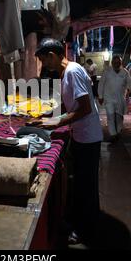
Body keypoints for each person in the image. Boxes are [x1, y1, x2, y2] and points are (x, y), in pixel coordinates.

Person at [32, 38, 103, 247]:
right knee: (80, 184)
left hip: (89, 138)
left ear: (52, 56)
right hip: (81, 135)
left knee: (86, 187)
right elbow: (68, 103)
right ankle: (79, 223)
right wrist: (48, 114)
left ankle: (86, 232)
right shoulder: (66, 73)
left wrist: (56, 123)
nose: (44, 65)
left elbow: (84, 108)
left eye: (44, 61)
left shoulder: (72, 71)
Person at [98, 55, 131, 142]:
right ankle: (113, 134)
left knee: (119, 116)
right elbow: (101, 84)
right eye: (114, 62)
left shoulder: (125, 72)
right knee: (110, 116)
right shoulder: (107, 71)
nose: (116, 64)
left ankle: (118, 132)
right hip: (109, 98)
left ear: (121, 63)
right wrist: (100, 96)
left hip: (120, 98)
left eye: (118, 62)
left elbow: (129, 83)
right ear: (112, 63)